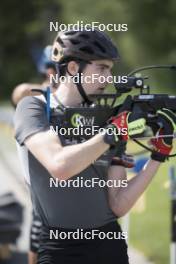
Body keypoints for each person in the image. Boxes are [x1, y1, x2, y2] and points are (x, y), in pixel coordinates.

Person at [14, 28, 176, 264]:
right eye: (101, 68)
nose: (108, 78)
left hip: (109, 243)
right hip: (60, 248)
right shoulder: (35, 108)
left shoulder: (108, 118)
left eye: (110, 69)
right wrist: (111, 133)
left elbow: (119, 204)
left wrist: (157, 156)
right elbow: (59, 166)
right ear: (72, 68)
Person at [12, 46, 57, 264]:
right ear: (49, 71)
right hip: (44, 198)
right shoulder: (35, 99)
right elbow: (19, 92)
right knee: (37, 249)